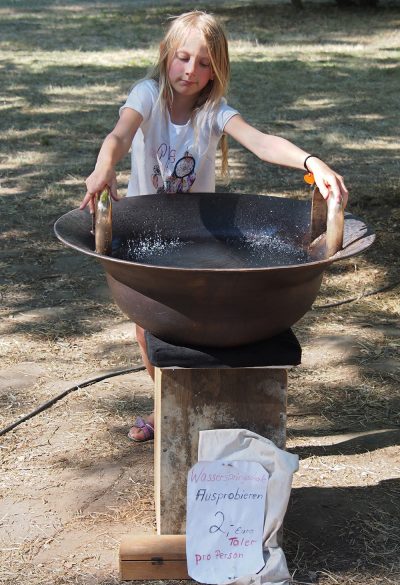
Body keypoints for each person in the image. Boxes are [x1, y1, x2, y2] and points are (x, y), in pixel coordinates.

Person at [80, 10, 348, 442]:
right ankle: (166, 407)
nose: (191, 71)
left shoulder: (213, 111)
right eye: (183, 58)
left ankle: (210, 408)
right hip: (147, 231)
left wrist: (310, 161)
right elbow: (119, 135)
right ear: (167, 55)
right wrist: (102, 168)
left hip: (194, 236)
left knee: (200, 322)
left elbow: (261, 142)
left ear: (217, 68)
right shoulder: (148, 94)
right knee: (148, 327)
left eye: (204, 63)